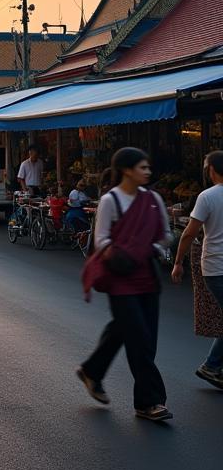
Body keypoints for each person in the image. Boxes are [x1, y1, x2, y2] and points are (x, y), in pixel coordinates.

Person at [78, 147, 172, 422]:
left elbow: (166, 234)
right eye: (143, 167)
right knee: (139, 339)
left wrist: (149, 247)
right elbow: (102, 239)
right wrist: (126, 253)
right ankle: (149, 402)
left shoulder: (153, 199)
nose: (148, 172)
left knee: (135, 333)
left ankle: (92, 371)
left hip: (148, 276)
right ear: (127, 170)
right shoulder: (111, 201)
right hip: (121, 278)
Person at [171, 150, 223, 390]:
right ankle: (212, 365)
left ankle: (212, 365)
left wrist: (178, 262)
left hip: (213, 266)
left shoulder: (207, 196)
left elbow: (190, 233)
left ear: (211, 169)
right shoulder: (208, 196)